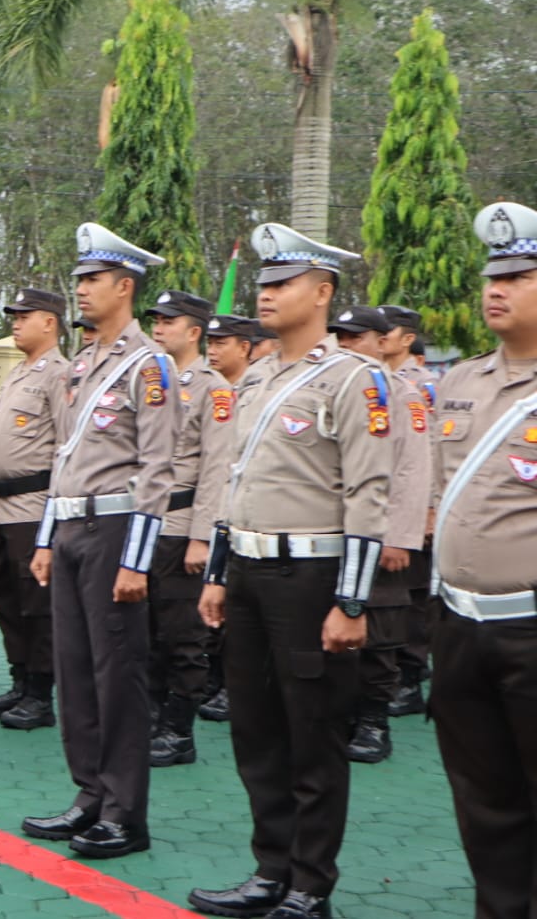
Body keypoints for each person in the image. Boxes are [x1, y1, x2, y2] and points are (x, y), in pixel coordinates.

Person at [189, 223, 391, 919]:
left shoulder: (355, 380)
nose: (266, 294)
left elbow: (370, 494)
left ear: (323, 292)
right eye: (264, 283)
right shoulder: (259, 377)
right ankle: (269, 871)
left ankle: (310, 886)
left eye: (282, 284)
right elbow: (233, 482)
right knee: (257, 730)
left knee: (313, 734)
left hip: (311, 582)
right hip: (246, 572)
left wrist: (353, 602)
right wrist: (217, 573)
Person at [21, 223, 176, 860]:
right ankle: (88, 796)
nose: (81, 290)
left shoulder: (151, 365)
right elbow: (66, 457)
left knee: (117, 676)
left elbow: (157, 468)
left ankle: (124, 812)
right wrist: (46, 537)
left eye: (92, 280)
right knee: (76, 671)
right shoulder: (82, 364)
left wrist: (136, 560)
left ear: (124, 286)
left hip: (116, 531)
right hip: (72, 527)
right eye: (80, 279)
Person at [426, 201, 537, 919]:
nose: (495, 288)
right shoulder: (463, 381)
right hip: (460, 625)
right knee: (484, 794)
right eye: (492, 275)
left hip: (532, 628)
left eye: (518, 275)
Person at [328, 306, 428, 764]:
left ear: (381, 341)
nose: (345, 344)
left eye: (356, 337)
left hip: (381, 530)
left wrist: (400, 536)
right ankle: (339, 716)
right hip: (334, 531)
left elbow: (412, 469)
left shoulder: (402, 394)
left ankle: (373, 722)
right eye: (340, 337)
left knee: (380, 631)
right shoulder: (328, 386)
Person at [145, 290, 233, 768]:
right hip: (144, 525)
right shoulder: (147, 378)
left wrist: (203, 537)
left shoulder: (212, 388)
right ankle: (151, 716)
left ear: (194, 332)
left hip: (182, 527)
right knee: (146, 632)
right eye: (155, 319)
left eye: (169, 320)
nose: (159, 327)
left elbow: (217, 469)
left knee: (182, 635)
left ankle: (178, 730)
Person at [0, 288, 68, 729]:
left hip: (35, 507)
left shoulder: (59, 374)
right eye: (12, 314)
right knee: (6, 596)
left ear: (49, 322)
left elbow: (67, 449)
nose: (14, 321)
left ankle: (40, 692)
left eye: (24, 315)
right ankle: (19, 679)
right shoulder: (18, 372)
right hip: (5, 507)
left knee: (37, 603)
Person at [197, 313, 258, 724]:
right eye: (211, 343)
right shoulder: (210, 391)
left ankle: (230, 686)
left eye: (224, 343)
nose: (214, 350)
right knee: (211, 603)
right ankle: (212, 679)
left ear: (245, 348)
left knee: (238, 607)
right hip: (217, 513)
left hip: (248, 515)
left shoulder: (252, 390)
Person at [375, 305, 434, 717]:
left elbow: (431, 454)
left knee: (412, 598)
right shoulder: (377, 381)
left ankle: (409, 678)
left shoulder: (422, 387)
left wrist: (428, 508)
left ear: (406, 339)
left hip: (414, 505)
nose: (380, 335)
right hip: (382, 507)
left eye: (387, 329)